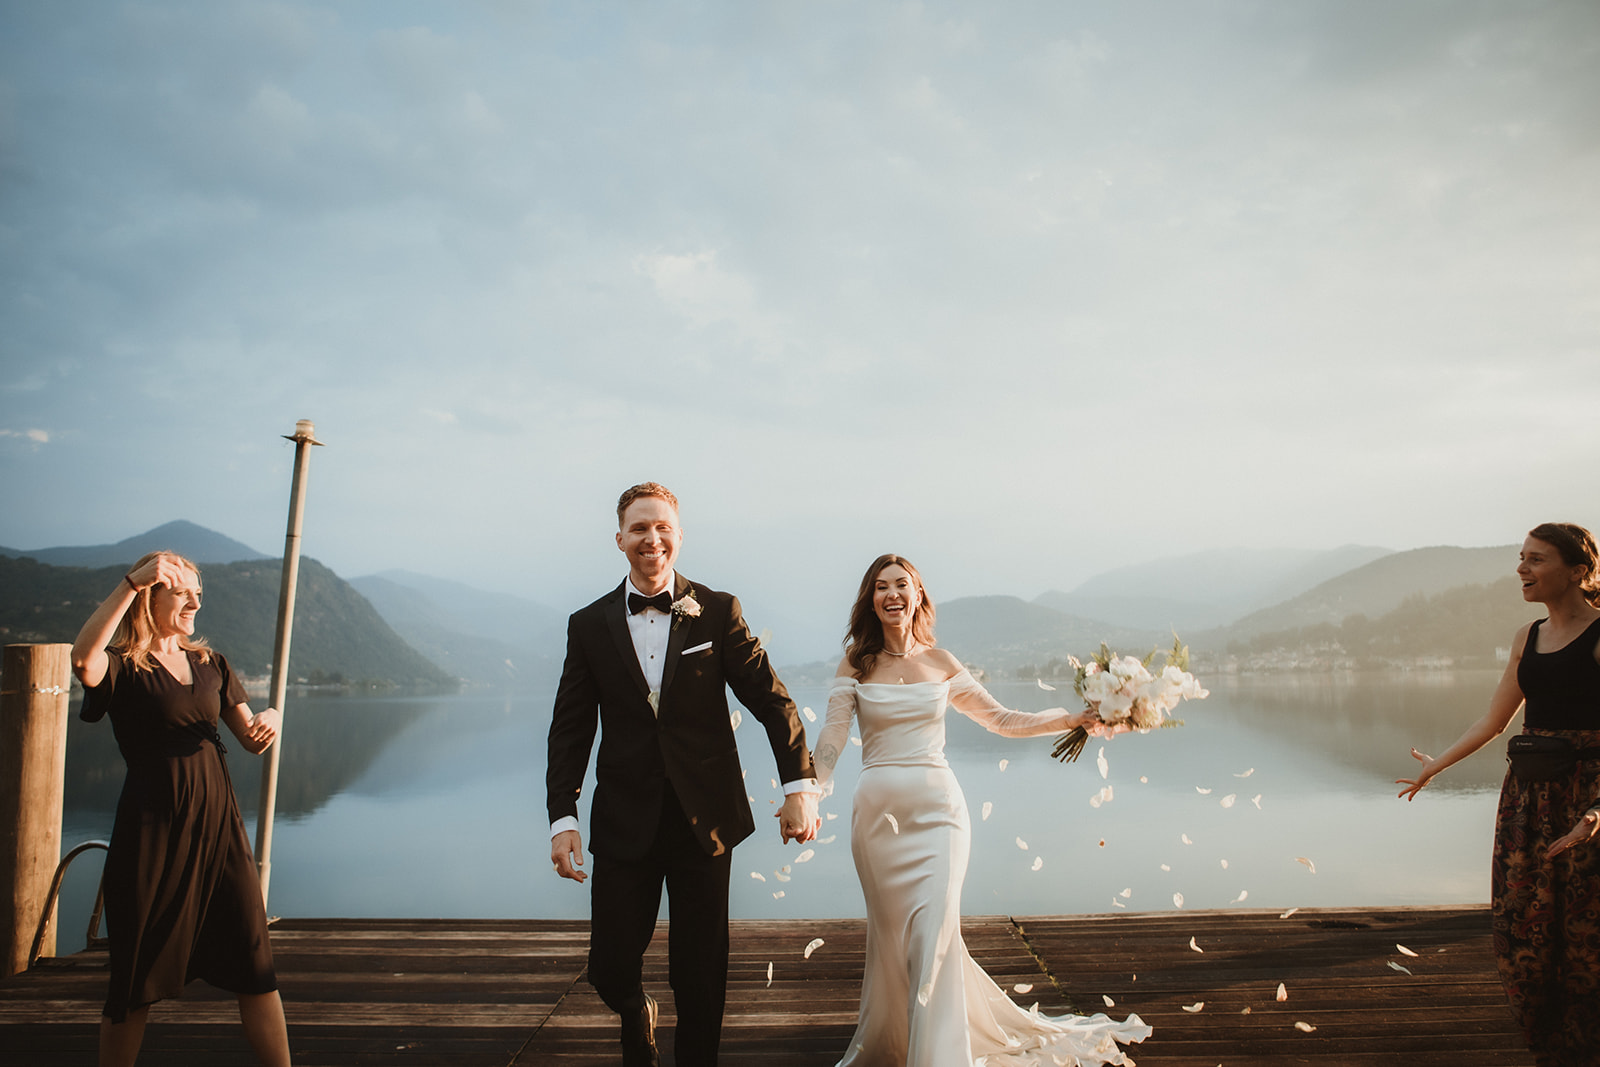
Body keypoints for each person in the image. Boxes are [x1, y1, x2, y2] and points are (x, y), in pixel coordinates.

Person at [813, 553, 1151, 1066]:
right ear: (871, 600)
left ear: (918, 595)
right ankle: (900, 1043)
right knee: (894, 943)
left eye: (901, 584)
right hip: (878, 824)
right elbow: (833, 736)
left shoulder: (943, 663)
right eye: (880, 587)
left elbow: (1003, 720)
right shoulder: (855, 665)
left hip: (939, 818)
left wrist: (1072, 719)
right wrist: (809, 791)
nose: (892, 594)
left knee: (933, 935)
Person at [546, 482, 819, 1067]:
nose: (652, 538)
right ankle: (634, 1009)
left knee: (700, 974)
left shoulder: (717, 611)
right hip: (623, 819)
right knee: (609, 965)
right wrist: (562, 818)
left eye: (663, 527)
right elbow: (570, 730)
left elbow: (772, 701)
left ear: (679, 536)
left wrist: (800, 788)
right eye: (640, 528)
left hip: (706, 820)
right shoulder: (588, 624)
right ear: (619, 539)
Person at [71, 551, 291, 1067]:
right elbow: (84, 660)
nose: (195, 602)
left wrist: (273, 718)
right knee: (135, 980)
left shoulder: (211, 665)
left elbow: (250, 739)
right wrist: (129, 582)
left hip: (220, 834)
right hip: (152, 836)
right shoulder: (124, 667)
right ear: (150, 597)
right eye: (182, 592)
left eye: (198, 592)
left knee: (257, 968)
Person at [1397, 523, 1600, 1066]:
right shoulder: (1527, 636)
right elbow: (1493, 719)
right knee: (1523, 922)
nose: (1521, 570)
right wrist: (1436, 766)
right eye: (1520, 558)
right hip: (1528, 799)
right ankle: (1550, 1044)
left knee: (1586, 931)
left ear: (1578, 571)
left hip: (1587, 800)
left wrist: (1598, 811)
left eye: (1536, 560)